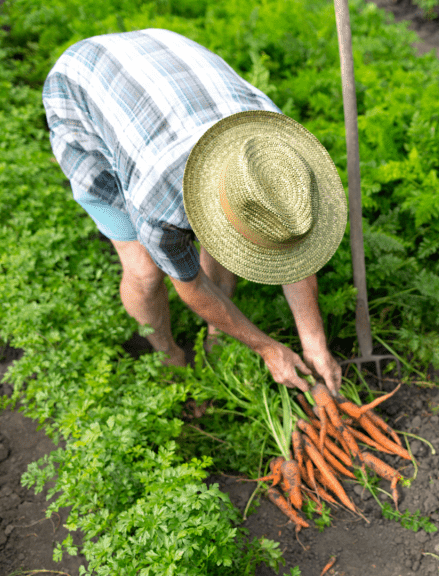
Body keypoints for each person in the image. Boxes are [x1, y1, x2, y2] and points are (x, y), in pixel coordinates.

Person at [43, 28, 345, 393]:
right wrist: (267, 348)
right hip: (81, 90)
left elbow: (293, 253)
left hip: (170, 61)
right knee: (145, 271)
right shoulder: (159, 200)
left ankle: (219, 332)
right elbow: (191, 286)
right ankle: (168, 355)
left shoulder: (281, 157)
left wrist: (316, 345)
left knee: (246, 232)